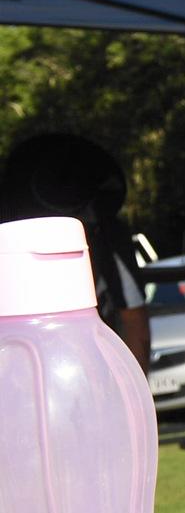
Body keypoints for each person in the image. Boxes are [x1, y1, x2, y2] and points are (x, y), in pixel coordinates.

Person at [0, 131, 150, 367]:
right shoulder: (11, 245)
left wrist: (135, 396)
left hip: (93, 371)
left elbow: (135, 322)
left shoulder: (108, 238)